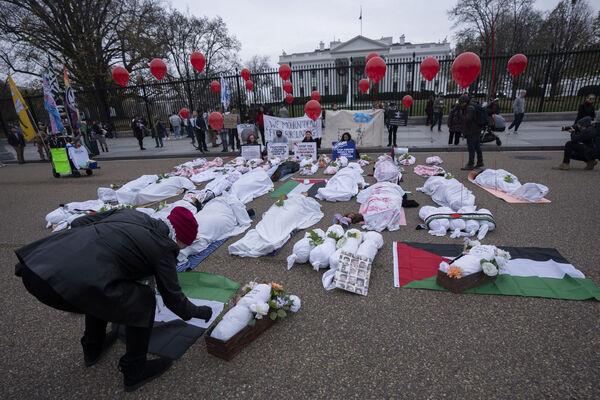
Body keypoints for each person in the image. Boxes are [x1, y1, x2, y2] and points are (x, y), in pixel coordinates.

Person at [14, 207, 212, 392]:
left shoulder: (131, 214)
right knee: (143, 300)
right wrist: (199, 312)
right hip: (58, 285)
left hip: (38, 264)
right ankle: (135, 371)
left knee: (98, 281)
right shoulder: (163, 248)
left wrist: (93, 252)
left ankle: (93, 347)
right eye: (183, 245)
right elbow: (173, 299)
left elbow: (79, 222)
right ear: (180, 239)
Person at [343, 182, 418, 232]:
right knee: (390, 205)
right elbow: (403, 195)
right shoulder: (394, 185)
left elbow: (364, 194)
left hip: (378, 196)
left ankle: (364, 216)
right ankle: (368, 216)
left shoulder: (376, 185)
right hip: (391, 196)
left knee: (374, 205)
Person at [459, 94, 484, 170]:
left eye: (461, 103)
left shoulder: (470, 108)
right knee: (477, 147)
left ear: (465, 102)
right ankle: (480, 161)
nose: (461, 104)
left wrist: (461, 115)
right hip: (476, 129)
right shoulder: (471, 105)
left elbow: (467, 119)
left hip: (472, 131)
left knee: (471, 148)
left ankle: (470, 164)